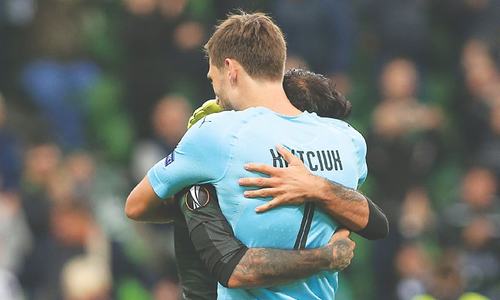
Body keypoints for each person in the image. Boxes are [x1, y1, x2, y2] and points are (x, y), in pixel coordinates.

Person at [126, 12, 385, 299]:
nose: (216, 92)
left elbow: (137, 206)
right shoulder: (346, 138)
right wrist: (318, 186)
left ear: (230, 69)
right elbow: (373, 221)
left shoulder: (218, 132)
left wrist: (203, 205)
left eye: (214, 79)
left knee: (195, 192)